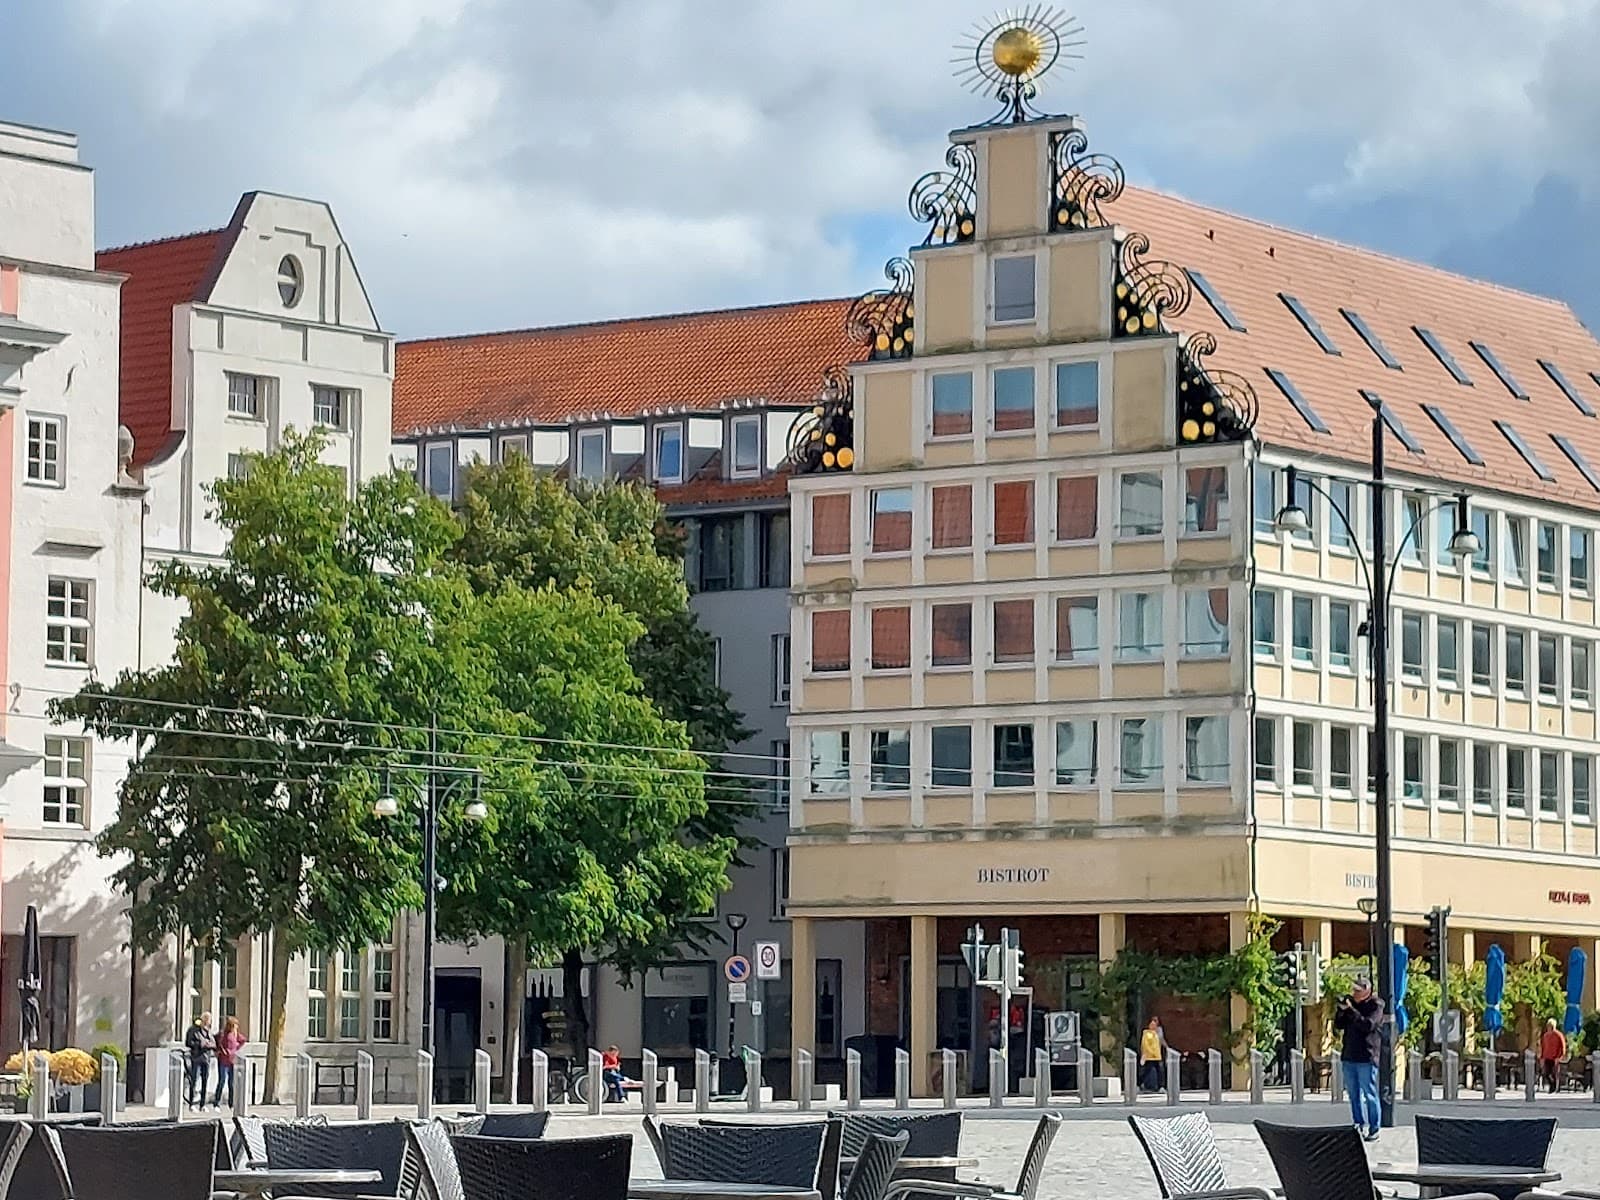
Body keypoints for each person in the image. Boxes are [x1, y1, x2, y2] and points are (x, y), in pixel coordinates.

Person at [1333, 976, 1384, 1141]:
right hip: (1349, 1056)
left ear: (1367, 991)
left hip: (1366, 1056)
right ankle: (1358, 1124)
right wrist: (1341, 1010)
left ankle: (1374, 1127)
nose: (1354, 993)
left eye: (1358, 990)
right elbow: (1339, 1026)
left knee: (1369, 1093)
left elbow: (1368, 1025)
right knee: (1353, 1095)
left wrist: (1352, 1011)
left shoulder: (1376, 1005)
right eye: (1353, 990)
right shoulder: (1351, 1004)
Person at [184, 1011, 215, 1110]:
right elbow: (188, 1043)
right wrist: (199, 1044)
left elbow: (214, 1044)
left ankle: (202, 1104)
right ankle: (192, 1104)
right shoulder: (193, 1030)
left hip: (206, 1058)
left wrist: (209, 1045)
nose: (208, 1022)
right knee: (194, 1081)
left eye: (209, 1020)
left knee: (205, 1082)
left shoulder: (209, 1031)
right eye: (206, 1020)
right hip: (196, 1057)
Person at [213, 1015, 246, 1109]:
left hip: (232, 1061)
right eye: (235, 1025)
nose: (236, 1027)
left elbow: (243, 1040)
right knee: (221, 1081)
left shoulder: (235, 1034)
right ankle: (217, 1102)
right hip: (223, 1060)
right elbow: (216, 1042)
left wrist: (236, 1048)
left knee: (231, 1083)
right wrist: (219, 1051)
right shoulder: (223, 1034)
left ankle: (231, 1103)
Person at [1138, 1017, 1167, 1093]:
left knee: (1160, 1071)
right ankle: (1138, 1084)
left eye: (1155, 1024)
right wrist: (1147, 1053)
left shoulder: (1157, 1033)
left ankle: (1161, 1086)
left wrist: (1167, 1047)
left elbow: (1161, 1041)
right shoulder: (1147, 1033)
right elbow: (1145, 1044)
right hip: (1149, 1056)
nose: (1153, 1026)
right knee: (1146, 1071)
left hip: (1157, 1056)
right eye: (1152, 1024)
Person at [1540, 1019, 1567, 1092]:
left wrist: (1559, 1057)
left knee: (1554, 1073)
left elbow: (1562, 1046)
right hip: (1547, 1057)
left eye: (1551, 1026)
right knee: (1546, 1073)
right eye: (1548, 1026)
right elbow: (1543, 1047)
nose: (1549, 1027)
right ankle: (1552, 1085)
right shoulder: (1545, 1036)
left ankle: (1554, 1088)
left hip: (1555, 1057)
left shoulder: (1558, 1035)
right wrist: (1542, 1057)